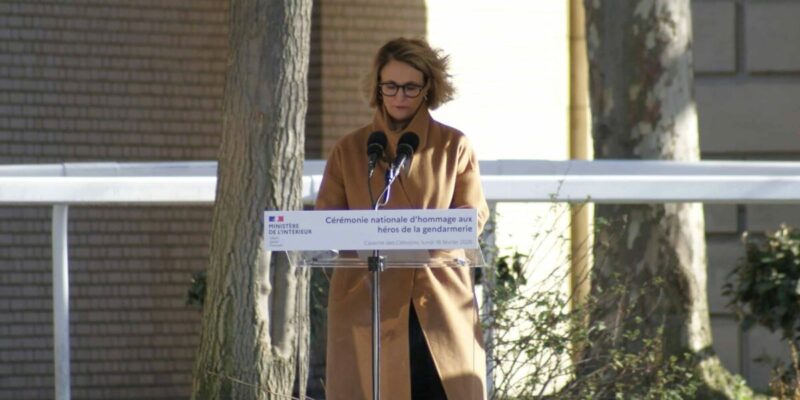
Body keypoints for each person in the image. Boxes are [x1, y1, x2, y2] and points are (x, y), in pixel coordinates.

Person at [315, 37, 490, 400]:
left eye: (411, 87)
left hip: (435, 296)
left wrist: (417, 236)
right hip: (368, 296)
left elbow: (472, 216)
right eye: (391, 86)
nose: (399, 96)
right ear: (378, 88)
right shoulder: (350, 148)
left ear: (428, 88)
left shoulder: (452, 146)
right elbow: (325, 218)